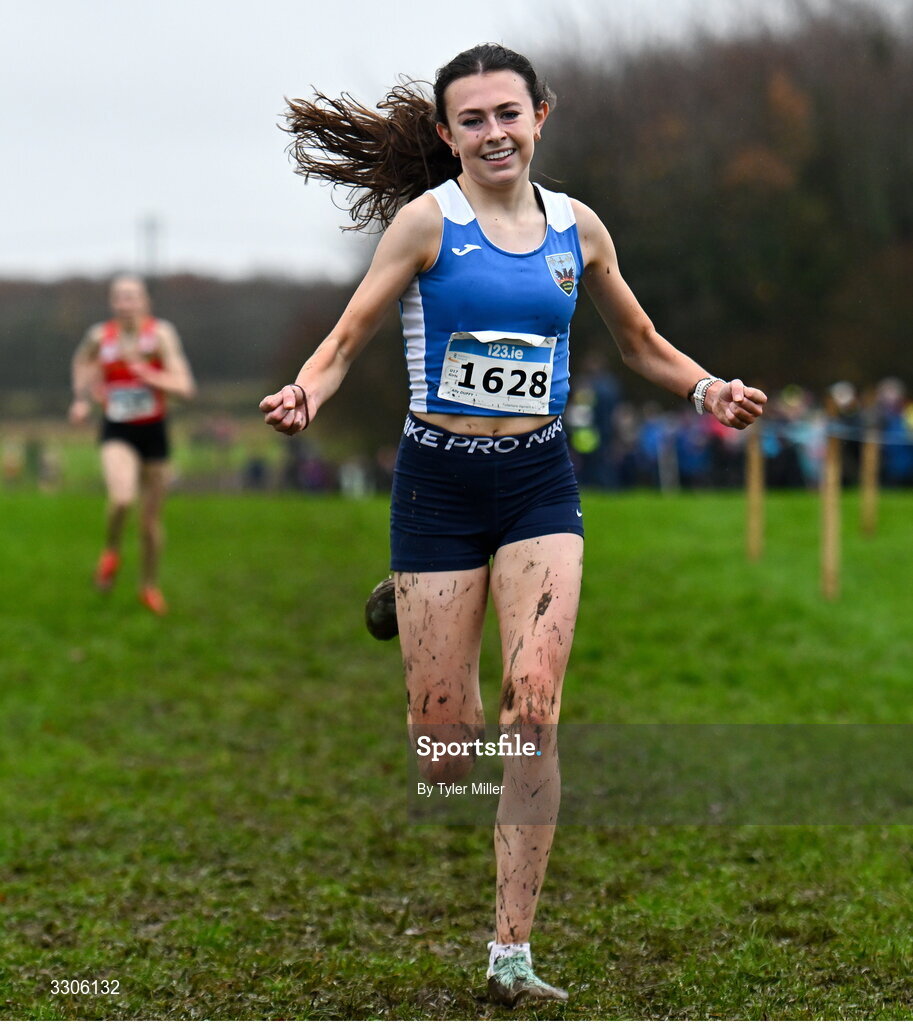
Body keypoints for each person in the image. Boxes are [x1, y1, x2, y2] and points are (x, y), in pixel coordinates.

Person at [261, 43, 766, 1007]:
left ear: (541, 115)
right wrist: (306, 391)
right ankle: (411, 595)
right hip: (437, 490)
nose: (494, 132)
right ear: (447, 135)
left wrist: (707, 386)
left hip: (538, 483)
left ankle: (510, 953)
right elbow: (349, 334)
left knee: (531, 713)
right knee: (445, 750)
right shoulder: (426, 225)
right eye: (473, 119)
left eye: (508, 113)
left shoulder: (579, 229)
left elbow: (640, 342)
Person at [70, 274, 196, 615]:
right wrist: (82, 398)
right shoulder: (100, 336)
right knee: (123, 498)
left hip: (154, 432)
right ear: (112, 304)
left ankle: (148, 587)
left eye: (132, 297)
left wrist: (153, 377)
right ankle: (111, 551)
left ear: (145, 302)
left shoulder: (161, 335)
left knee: (150, 524)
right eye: (120, 298)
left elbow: (186, 388)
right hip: (117, 431)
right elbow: (81, 363)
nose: (126, 304)